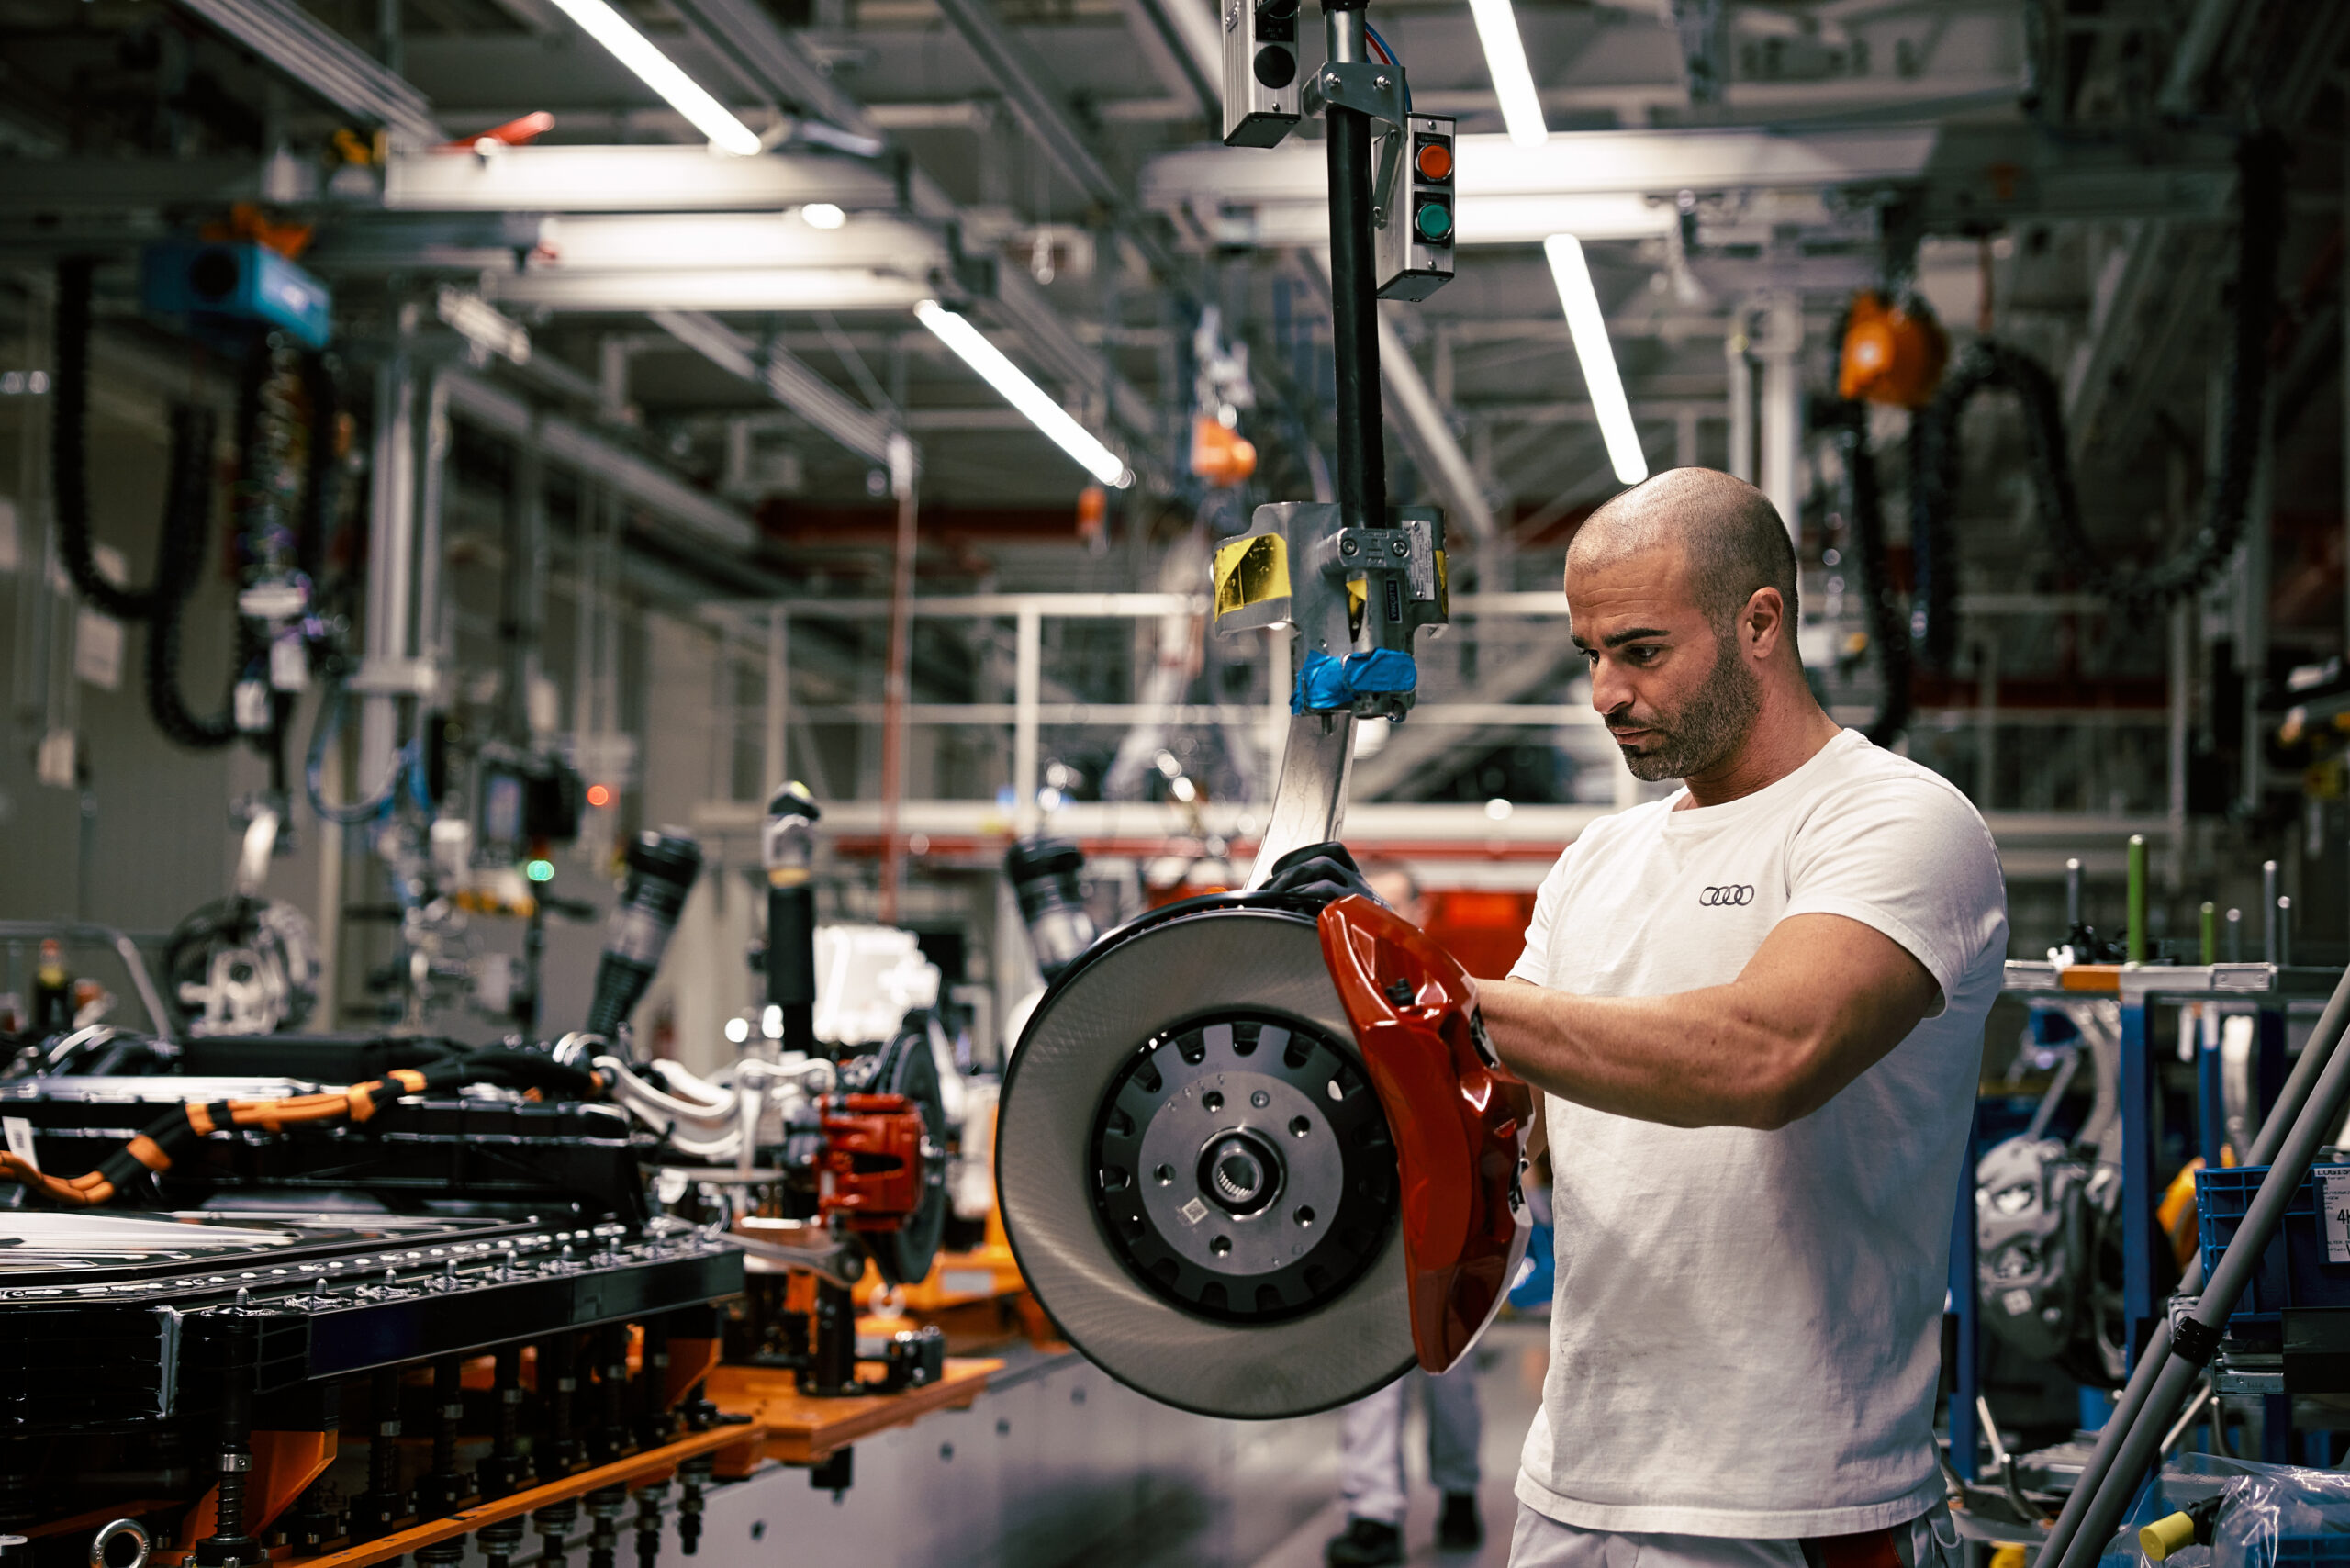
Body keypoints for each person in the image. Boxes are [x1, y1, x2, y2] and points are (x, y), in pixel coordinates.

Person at [1469, 468, 2007, 1568]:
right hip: (1574, 1484)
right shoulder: (1597, 861)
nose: (1604, 694)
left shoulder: (1896, 821)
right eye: (1590, 656)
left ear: (1759, 620)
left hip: (1795, 1501)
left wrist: (1438, 998)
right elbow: (1496, 1097)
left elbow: (1768, 1053)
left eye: (1640, 650)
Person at [1325, 865, 1485, 1567]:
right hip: (1366, 1207)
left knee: (1451, 1365)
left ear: (1421, 907)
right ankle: (1374, 1513)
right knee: (1368, 1362)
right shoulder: (1335, 995)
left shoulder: (1456, 990)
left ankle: (1458, 1494)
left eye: (1392, 899)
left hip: (1448, 1202)